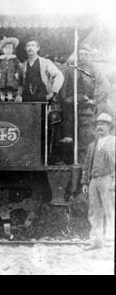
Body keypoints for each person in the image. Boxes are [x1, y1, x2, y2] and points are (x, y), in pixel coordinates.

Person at [60, 45, 111, 156]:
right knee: (66, 104)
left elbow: (104, 86)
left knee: (69, 103)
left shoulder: (94, 69)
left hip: (88, 98)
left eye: (85, 54)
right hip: (75, 97)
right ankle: (68, 136)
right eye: (81, 54)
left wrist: (95, 100)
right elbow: (65, 84)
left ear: (89, 56)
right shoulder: (71, 68)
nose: (83, 57)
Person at [81, 112, 115, 250]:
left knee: (109, 210)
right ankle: (96, 242)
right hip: (94, 181)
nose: (100, 127)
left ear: (109, 127)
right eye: (98, 124)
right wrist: (84, 182)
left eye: (103, 124)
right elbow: (87, 164)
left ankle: (111, 242)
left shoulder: (114, 142)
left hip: (108, 179)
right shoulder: (92, 145)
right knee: (94, 212)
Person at [0, 37, 23, 102]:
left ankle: (10, 101)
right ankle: (2, 101)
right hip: (2, 78)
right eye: (6, 48)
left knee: (10, 91)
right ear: (2, 49)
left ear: (13, 49)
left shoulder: (14, 58)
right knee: (2, 91)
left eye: (10, 48)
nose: (8, 50)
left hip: (11, 78)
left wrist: (17, 72)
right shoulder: (0, 58)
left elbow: (18, 66)